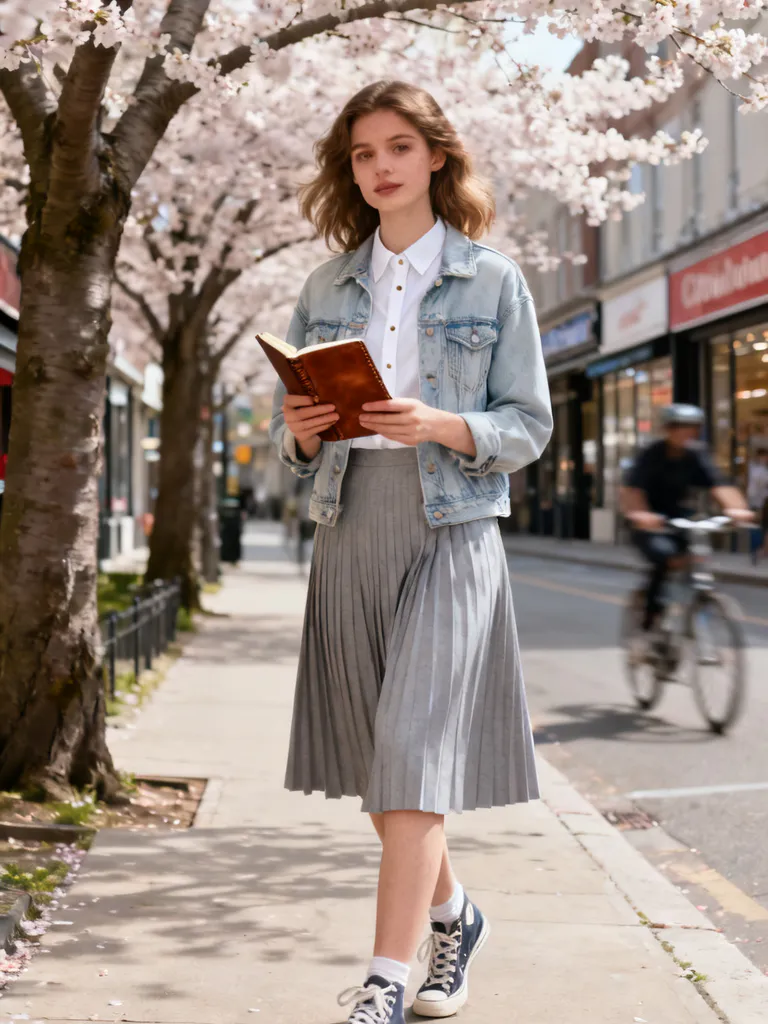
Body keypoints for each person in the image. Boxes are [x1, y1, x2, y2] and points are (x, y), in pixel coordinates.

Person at [268, 81, 552, 1024]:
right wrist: (302, 431)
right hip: (352, 530)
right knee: (390, 771)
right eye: (362, 154)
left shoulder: (493, 278)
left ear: (436, 156)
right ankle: (454, 918)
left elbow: (528, 425)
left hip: (452, 528)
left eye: (398, 147)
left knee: (410, 751)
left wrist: (440, 423)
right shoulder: (325, 287)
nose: (380, 166)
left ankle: (383, 983)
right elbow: (296, 437)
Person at [620, 404, 753, 634]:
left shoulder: (696, 454)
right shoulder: (651, 454)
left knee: (696, 554)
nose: (686, 433)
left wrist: (737, 509)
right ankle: (651, 617)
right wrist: (641, 515)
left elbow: (719, 484)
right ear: (668, 429)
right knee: (664, 558)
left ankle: (692, 602)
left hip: (679, 517)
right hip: (650, 523)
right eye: (680, 427)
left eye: (692, 428)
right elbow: (633, 491)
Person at [746, 447, 768, 562]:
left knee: (759, 528)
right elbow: (760, 483)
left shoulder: (756, 468)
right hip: (757, 502)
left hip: (760, 502)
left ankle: (758, 550)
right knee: (756, 527)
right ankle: (756, 550)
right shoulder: (757, 469)